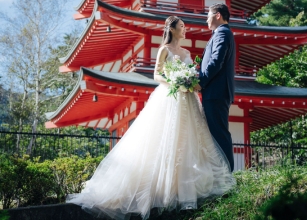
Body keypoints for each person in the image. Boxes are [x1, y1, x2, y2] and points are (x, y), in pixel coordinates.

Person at [67, 16, 235, 219]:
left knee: (191, 140)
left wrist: (189, 81)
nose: (185, 30)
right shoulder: (164, 50)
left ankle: (188, 189)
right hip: (171, 96)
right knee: (166, 139)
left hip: (188, 99)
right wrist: (175, 81)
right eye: (181, 27)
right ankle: (164, 190)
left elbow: (194, 72)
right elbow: (157, 75)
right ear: (172, 29)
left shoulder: (187, 53)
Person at [198, 3, 235, 171]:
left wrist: (201, 81)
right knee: (215, 134)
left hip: (216, 92)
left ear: (218, 15)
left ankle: (226, 175)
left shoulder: (222, 33)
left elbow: (216, 61)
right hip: (214, 92)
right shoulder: (220, 33)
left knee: (219, 134)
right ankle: (220, 174)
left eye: (208, 15)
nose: (206, 19)